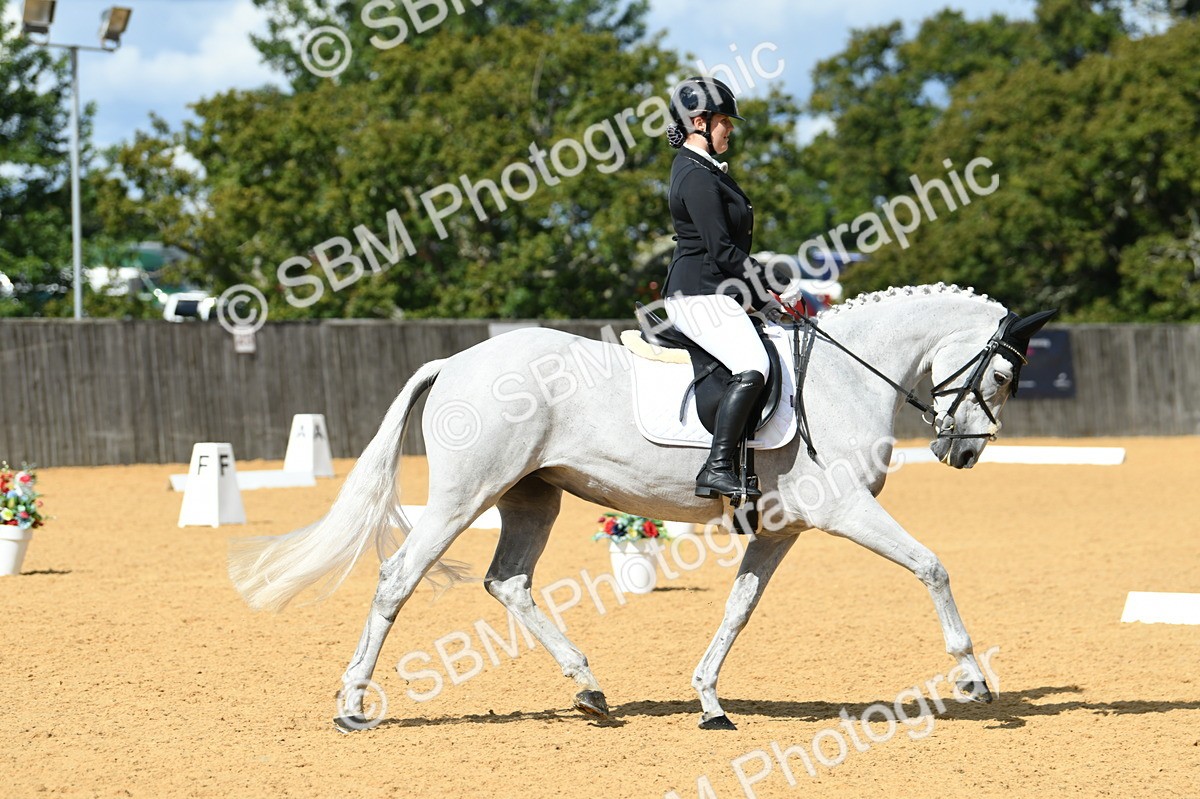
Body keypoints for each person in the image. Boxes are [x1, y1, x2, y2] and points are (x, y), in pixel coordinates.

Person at [662, 76, 782, 501]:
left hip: (715, 292)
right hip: (698, 296)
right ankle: (716, 467)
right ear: (700, 122)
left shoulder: (703, 169)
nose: (729, 128)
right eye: (724, 121)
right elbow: (722, 250)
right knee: (753, 365)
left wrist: (762, 299)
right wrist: (773, 284)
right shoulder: (695, 176)